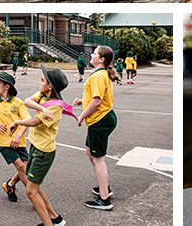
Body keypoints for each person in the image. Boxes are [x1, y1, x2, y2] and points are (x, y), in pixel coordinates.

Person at [11, 65, 71, 226]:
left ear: (50, 86)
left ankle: (48, 224)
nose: (39, 83)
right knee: (34, 188)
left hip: (44, 152)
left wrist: (16, 122)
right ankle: (55, 218)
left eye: (42, 80)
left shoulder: (55, 106)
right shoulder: (43, 97)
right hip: (36, 148)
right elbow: (27, 101)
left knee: (31, 191)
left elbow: (34, 122)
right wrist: (40, 108)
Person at [75, 45, 119, 210]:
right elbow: (94, 97)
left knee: (99, 159)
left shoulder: (99, 76)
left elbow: (97, 101)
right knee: (90, 152)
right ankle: (104, 187)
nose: (91, 55)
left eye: (94, 53)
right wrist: (82, 101)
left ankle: (104, 199)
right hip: (99, 119)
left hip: (100, 120)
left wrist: (82, 115)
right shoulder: (98, 74)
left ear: (101, 59)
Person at [0, 71, 30, 202]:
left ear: (7, 86)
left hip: (18, 141)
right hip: (3, 143)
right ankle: (33, 196)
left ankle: (10, 184)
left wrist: (18, 135)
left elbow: (27, 121)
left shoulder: (18, 102)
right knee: (21, 167)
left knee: (25, 168)